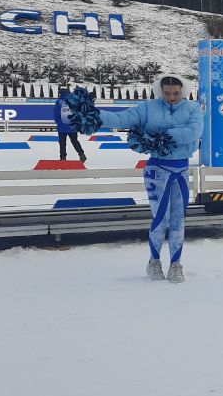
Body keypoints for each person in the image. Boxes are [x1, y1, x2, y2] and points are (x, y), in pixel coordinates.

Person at [68, 74, 203, 283]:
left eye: (176, 93)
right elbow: (122, 118)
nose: (172, 97)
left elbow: (193, 132)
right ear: (160, 91)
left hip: (181, 171)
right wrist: (94, 115)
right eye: (167, 93)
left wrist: (161, 135)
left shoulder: (193, 108)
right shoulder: (148, 107)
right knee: (160, 219)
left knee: (178, 220)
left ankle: (176, 264)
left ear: (183, 91)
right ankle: (154, 262)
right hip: (157, 170)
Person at [53, 87, 86, 163]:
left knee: (62, 142)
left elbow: (56, 114)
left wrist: (59, 122)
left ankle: (63, 157)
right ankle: (81, 154)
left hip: (62, 125)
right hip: (72, 126)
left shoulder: (59, 102)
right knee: (75, 141)